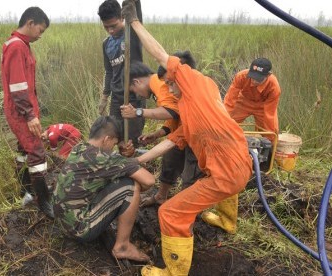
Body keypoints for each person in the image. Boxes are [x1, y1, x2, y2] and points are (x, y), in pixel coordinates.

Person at [121, 1, 253, 275]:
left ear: (182, 74)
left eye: (170, 82)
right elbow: (172, 140)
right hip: (241, 166)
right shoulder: (196, 106)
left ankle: (174, 271)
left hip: (225, 174)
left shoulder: (194, 82)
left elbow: (159, 53)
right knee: (219, 182)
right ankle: (228, 221)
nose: (168, 86)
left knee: (170, 213)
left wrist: (133, 22)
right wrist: (136, 161)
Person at [53, 116, 155, 262]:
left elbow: (107, 169)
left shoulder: (79, 148)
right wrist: (127, 163)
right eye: (113, 144)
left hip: (64, 223)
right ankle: (122, 247)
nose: (112, 148)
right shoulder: (105, 159)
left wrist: (122, 160)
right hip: (79, 229)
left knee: (119, 180)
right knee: (131, 186)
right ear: (106, 139)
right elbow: (150, 181)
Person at [120, 57, 204, 207]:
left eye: (133, 91)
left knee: (190, 174)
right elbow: (178, 114)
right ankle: (160, 196)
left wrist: (138, 112)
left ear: (137, 82)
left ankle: (186, 210)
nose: (137, 95)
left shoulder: (159, 84)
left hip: (197, 131)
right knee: (169, 160)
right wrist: (158, 133)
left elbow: (171, 112)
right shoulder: (158, 86)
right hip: (182, 130)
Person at [0, 7, 53, 218]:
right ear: (30, 23)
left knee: (23, 150)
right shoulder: (17, 47)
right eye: (40, 30)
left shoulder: (22, 45)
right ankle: (44, 203)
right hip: (20, 111)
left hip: (22, 109)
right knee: (37, 152)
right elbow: (18, 86)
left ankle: (26, 193)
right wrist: (30, 115)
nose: (40, 35)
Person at [97, 0, 146, 147]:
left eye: (113, 25)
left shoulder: (133, 34)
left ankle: (133, 166)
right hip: (117, 98)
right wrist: (105, 96)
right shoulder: (106, 44)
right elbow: (109, 71)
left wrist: (135, 3)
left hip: (135, 97)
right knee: (115, 137)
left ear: (122, 17)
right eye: (106, 27)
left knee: (131, 141)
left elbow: (138, 18)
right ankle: (121, 166)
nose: (110, 30)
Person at [223, 58, 281, 142]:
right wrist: (223, 117)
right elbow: (229, 101)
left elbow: (269, 114)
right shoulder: (241, 76)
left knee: (271, 131)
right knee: (225, 123)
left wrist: (270, 135)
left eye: (258, 79)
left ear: (268, 75)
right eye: (252, 77)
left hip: (263, 106)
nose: (254, 81)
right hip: (243, 102)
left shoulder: (274, 87)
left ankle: (270, 150)